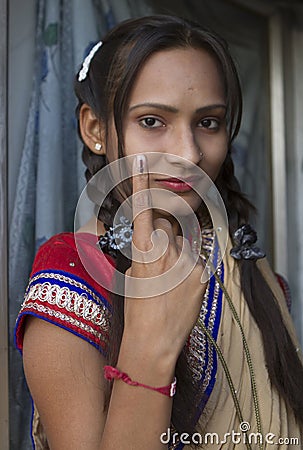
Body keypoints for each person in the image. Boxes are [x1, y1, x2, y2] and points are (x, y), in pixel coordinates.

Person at [15, 14, 303, 450]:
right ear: (95, 128)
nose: (188, 153)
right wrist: (150, 345)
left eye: (208, 122)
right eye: (152, 121)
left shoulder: (249, 269)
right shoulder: (75, 275)